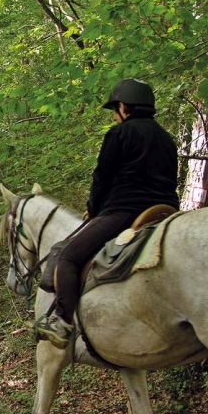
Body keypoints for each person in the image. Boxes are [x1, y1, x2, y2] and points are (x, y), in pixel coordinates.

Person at [36, 78, 179, 349]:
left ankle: (63, 322)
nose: (115, 116)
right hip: (165, 211)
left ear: (124, 107)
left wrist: (94, 207)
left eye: (115, 110)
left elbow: (102, 176)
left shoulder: (119, 134)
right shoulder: (166, 138)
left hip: (125, 211)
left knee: (67, 256)